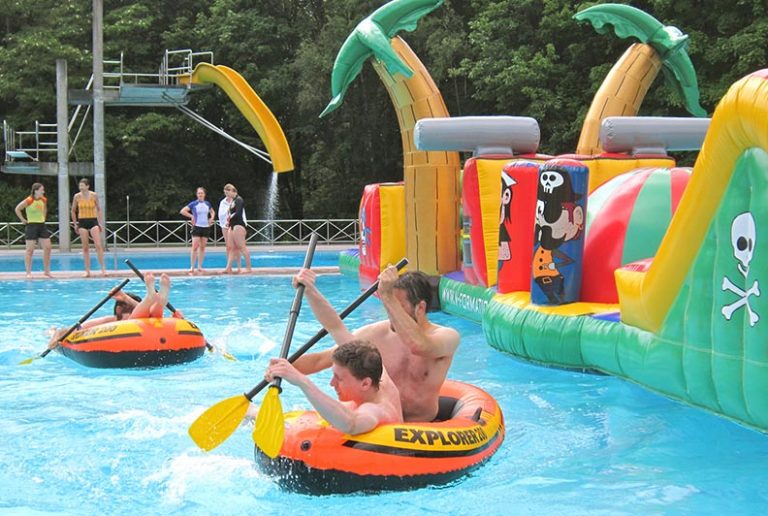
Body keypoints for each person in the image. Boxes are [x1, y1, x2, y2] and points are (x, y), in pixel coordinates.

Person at [292, 266, 460, 422]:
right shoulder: (374, 334)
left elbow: (418, 346)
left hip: (426, 426)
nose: (390, 312)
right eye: (387, 305)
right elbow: (320, 360)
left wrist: (387, 296)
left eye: (397, 306)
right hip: (381, 420)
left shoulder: (446, 337)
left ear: (420, 308)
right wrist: (284, 366)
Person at [261, 340, 402, 435]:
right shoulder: (371, 387)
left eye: (339, 378)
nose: (331, 383)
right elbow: (335, 326)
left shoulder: (376, 409)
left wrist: (302, 381)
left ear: (365, 383)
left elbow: (351, 424)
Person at [46, 272, 179, 349]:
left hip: (149, 325)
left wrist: (178, 320)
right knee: (150, 314)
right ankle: (158, 300)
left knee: (152, 314)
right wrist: (56, 335)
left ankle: (155, 299)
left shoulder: (146, 318)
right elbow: (77, 328)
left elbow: (147, 316)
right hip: (139, 331)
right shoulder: (111, 321)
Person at [14, 182, 53, 279]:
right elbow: (17, 209)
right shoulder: (29, 200)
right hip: (31, 225)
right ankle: (28, 272)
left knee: (48, 247)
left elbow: (45, 209)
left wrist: (44, 217)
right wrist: (23, 219)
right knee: (30, 250)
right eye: (42, 190)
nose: (43, 192)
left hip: (41, 225)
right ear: (36, 191)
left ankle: (47, 271)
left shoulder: (43, 199)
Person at [70, 177, 106, 277]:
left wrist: (100, 222)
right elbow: (73, 210)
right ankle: (87, 270)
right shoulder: (77, 196)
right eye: (80, 185)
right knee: (85, 247)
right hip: (82, 221)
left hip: (93, 220)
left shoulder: (94, 195)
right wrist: (75, 223)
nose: (80, 187)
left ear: (87, 186)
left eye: (82, 185)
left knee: (98, 245)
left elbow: (98, 209)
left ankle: (103, 269)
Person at [180, 187, 215, 275]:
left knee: (202, 247)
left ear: (204, 194)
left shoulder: (207, 204)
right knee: (195, 247)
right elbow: (183, 211)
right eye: (199, 193)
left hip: (205, 227)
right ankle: (192, 266)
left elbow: (212, 212)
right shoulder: (193, 204)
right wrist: (192, 216)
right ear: (197, 194)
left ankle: (199, 266)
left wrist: (211, 218)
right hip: (197, 227)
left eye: (201, 193)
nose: (200, 195)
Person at [218, 183, 248, 273]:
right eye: (225, 193)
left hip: (237, 225)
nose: (226, 195)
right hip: (226, 225)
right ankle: (229, 267)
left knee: (239, 246)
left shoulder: (237, 200)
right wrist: (226, 221)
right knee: (229, 247)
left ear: (232, 191)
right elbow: (221, 215)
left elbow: (240, 213)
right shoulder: (223, 202)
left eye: (227, 192)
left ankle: (240, 267)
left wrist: (244, 224)